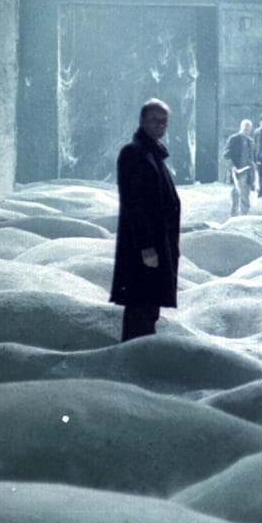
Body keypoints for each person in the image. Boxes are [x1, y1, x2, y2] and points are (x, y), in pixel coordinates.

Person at [109, 98, 181, 341]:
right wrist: (146, 247)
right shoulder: (134, 153)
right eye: (155, 120)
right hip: (145, 249)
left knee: (149, 308)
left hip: (156, 246)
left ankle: (139, 352)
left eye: (164, 122)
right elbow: (134, 204)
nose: (160, 125)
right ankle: (134, 355)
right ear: (142, 121)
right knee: (140, 306)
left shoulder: (152, 153)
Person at [222, 118, 256, 216]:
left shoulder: (251, 141)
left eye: (249, 130)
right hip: (236, 171)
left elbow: (253, 157)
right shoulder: (233, 139)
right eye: (245, 130)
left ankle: (243, 217)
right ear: (241, 128)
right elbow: (226, 155)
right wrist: (232, 166)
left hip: (247, 171)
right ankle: (233, 216)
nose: (247, 132)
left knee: (245, 195)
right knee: (235, 195)